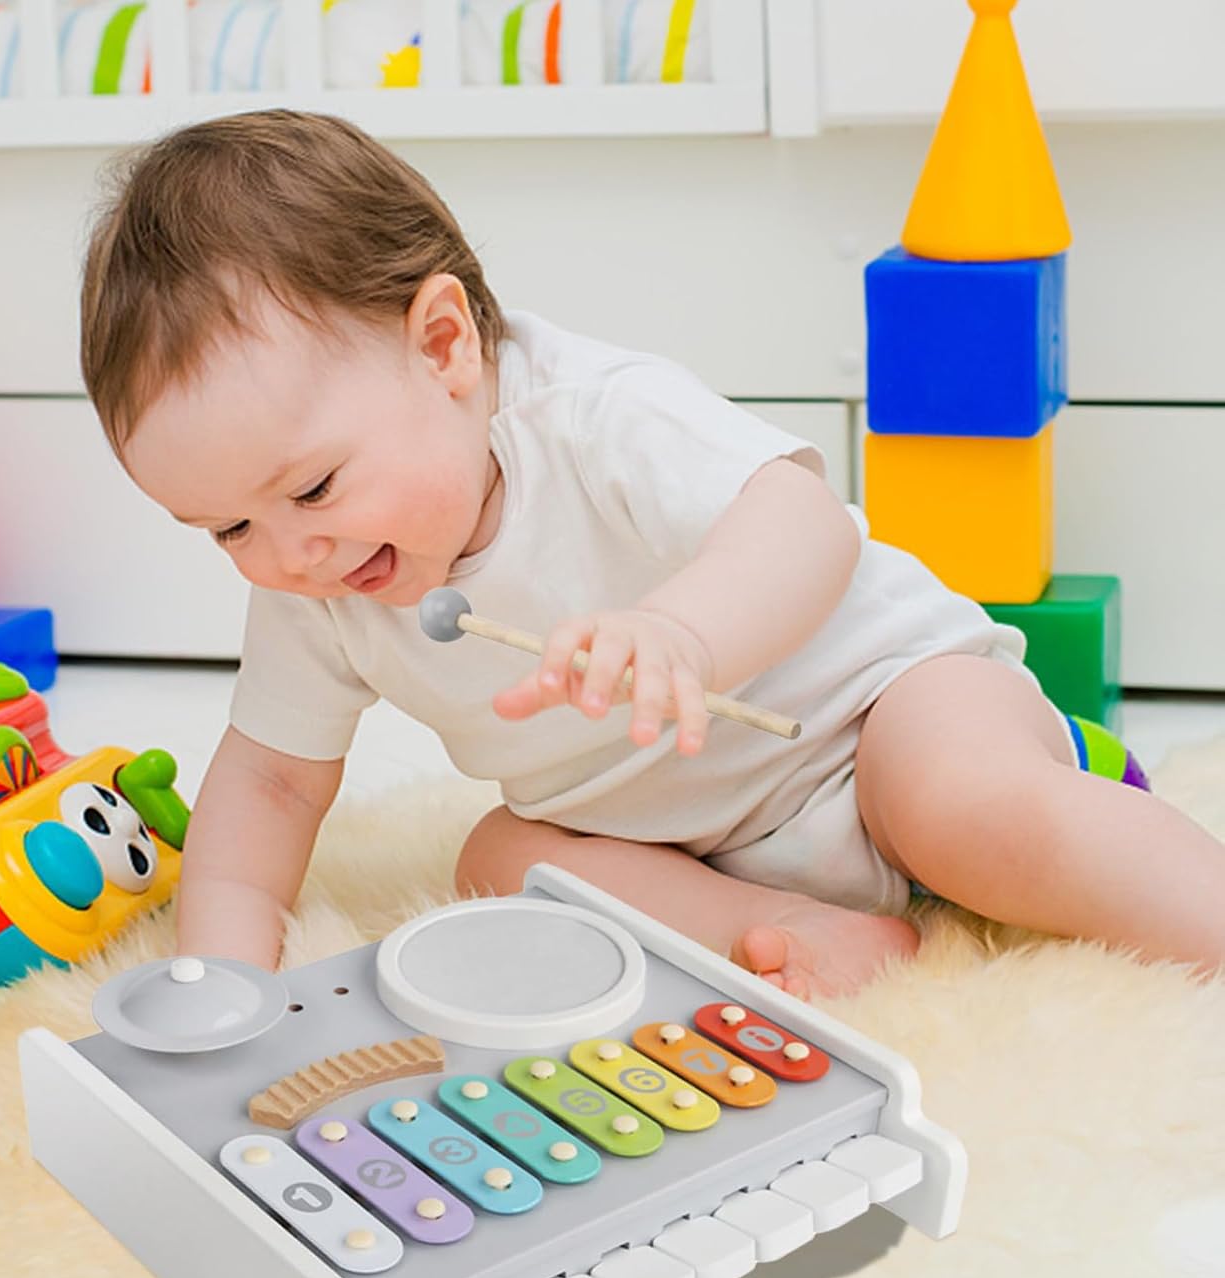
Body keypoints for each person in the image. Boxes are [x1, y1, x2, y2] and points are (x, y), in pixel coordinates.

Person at [80, 110, 1225, 999]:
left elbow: (804, 524)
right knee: (499, 862)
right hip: (690, 840)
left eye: (312, 489)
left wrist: (685, 632)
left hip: (875, 719)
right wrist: (218, 984)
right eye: (227, 529)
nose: (288, 554)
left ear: (443, 348)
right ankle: (793, 930)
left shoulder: (595, 419)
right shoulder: (317, 577)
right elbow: (272, 782)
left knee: (958, 805)